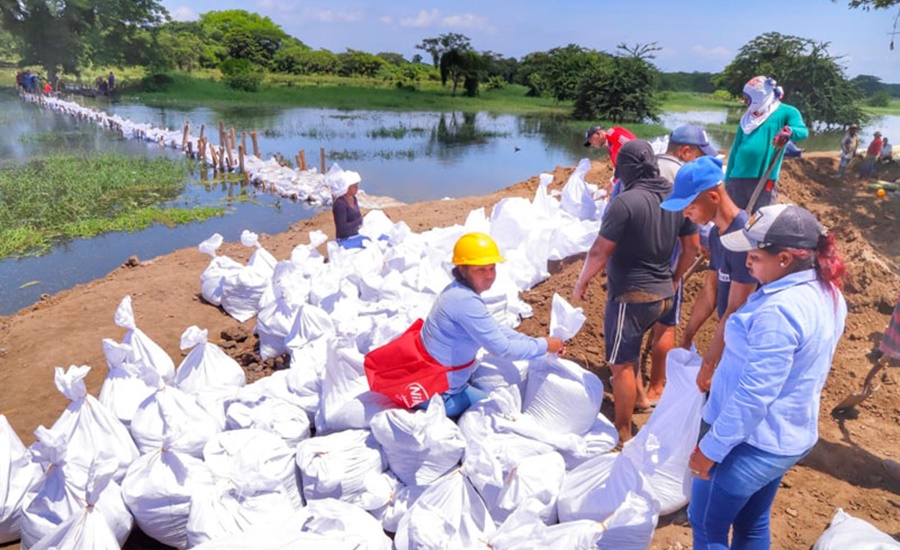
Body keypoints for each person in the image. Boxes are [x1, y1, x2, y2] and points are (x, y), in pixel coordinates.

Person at [688, 204, 847, 549]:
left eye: (755, 256)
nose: (747, 262)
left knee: (706, 525)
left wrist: (710, 449)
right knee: (752, 523)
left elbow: (754, 395)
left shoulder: (778, 310)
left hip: (750, 443)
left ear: (785, 259)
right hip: (784, 436)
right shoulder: (827, 292)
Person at [573, 140, 699, 443]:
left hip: (630, 296)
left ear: (627, 170)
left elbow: (600, 251)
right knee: (635, 348)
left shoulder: (625, 202)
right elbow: (692, 248)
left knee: (621, 366)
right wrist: (675, 278)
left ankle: (623, 434)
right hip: (663, 294)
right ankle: (642, 399)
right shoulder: (675, 198)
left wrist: (582, 281)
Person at [367, 232, 566, 418]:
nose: (489, 275)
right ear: (462, 270)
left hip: (434, 381)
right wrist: (545, 345)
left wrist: (536, 342)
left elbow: (495, 328)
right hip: (443, 396)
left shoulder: (457, 292)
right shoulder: (465, 302)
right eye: (481, 269)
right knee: (503, 409)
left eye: (492, 268)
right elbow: (503, 350)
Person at [661, 156, 758, 393]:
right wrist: (687, 336)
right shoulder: (716, 235)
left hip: (749, 345)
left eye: (690, 206)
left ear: (713, 197)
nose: (685, 214)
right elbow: (710, 290)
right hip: (730, 339)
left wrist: (708, 363)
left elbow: (736, 309)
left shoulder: (743, 238)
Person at [645, 124, 716, 401]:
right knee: (665, 324)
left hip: (633, 265)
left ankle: (631, 387)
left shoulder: (641, 167)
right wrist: (712, 244)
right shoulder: (685, 177)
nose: (698, 161)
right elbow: (697, 227)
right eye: (698, 155)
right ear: (685, 150)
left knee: (632, 327)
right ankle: (656, 386)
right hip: (669, 263)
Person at [725, 76, 808, 211]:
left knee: (762, 216)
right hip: (737, 177)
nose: (745, 102)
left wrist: (789, 131)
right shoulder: (747, 118)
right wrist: (727, 179)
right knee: (736, 217)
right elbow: (735, 149)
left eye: (747, 98)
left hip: (764, 177)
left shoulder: (786, 112)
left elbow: (803, 131)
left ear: (760, 97)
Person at [584, 125, 636, 198]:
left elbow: (633, 147)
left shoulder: (613, 134)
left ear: (598, 134)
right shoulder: (610, 144)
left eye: (591, 140)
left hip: (636, 173)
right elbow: (618, 171)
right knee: (615, 197)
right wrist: (607, 190)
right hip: (628, 174)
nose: (592, 144)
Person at [328, 168, 366, 249]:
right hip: (345, 239)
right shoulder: (340, 204)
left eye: (357, 185)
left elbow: (357, 218)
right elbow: (342, 228)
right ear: (346, 187)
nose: (357, 188)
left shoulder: (354, 199)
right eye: (354, 186)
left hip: (355, 235)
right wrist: (360, 221)